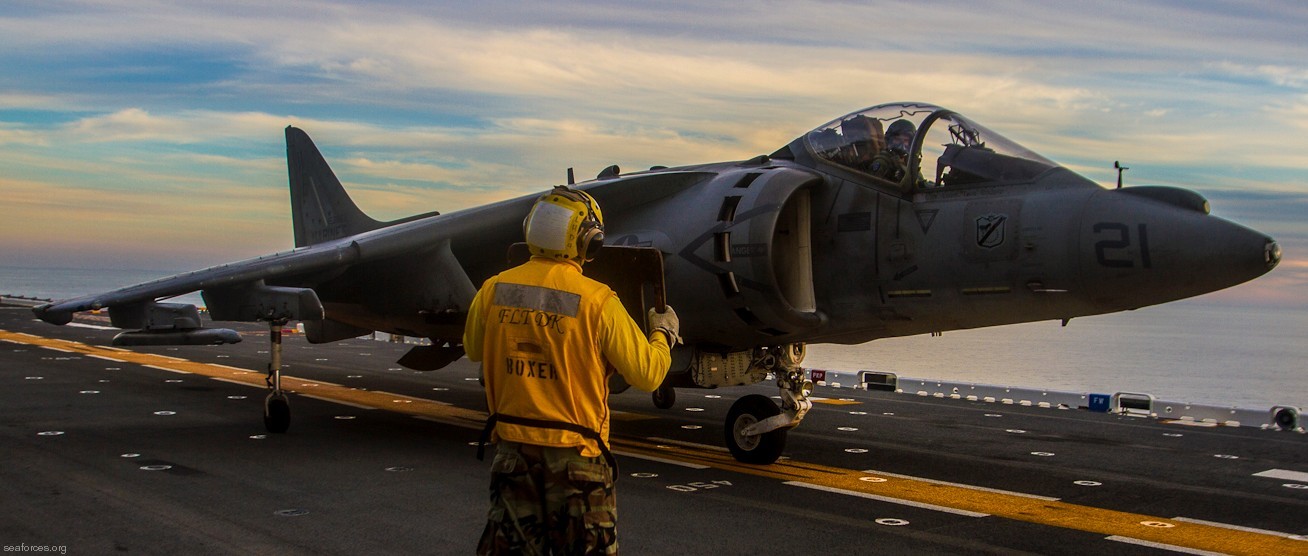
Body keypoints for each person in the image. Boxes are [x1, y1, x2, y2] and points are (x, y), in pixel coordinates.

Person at [464, 185, 679, 555]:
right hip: (577, 460)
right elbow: (648, 374)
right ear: (588, 241)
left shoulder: (493, 290)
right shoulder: (597, 301)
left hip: (514, 455)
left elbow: (472, 349)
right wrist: (663, 332)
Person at [869, 119, 916, 190]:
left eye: (905, 140)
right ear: (889, 140)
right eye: (897, 139)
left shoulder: (909, 163)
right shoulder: (883, 161)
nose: (901, 144)